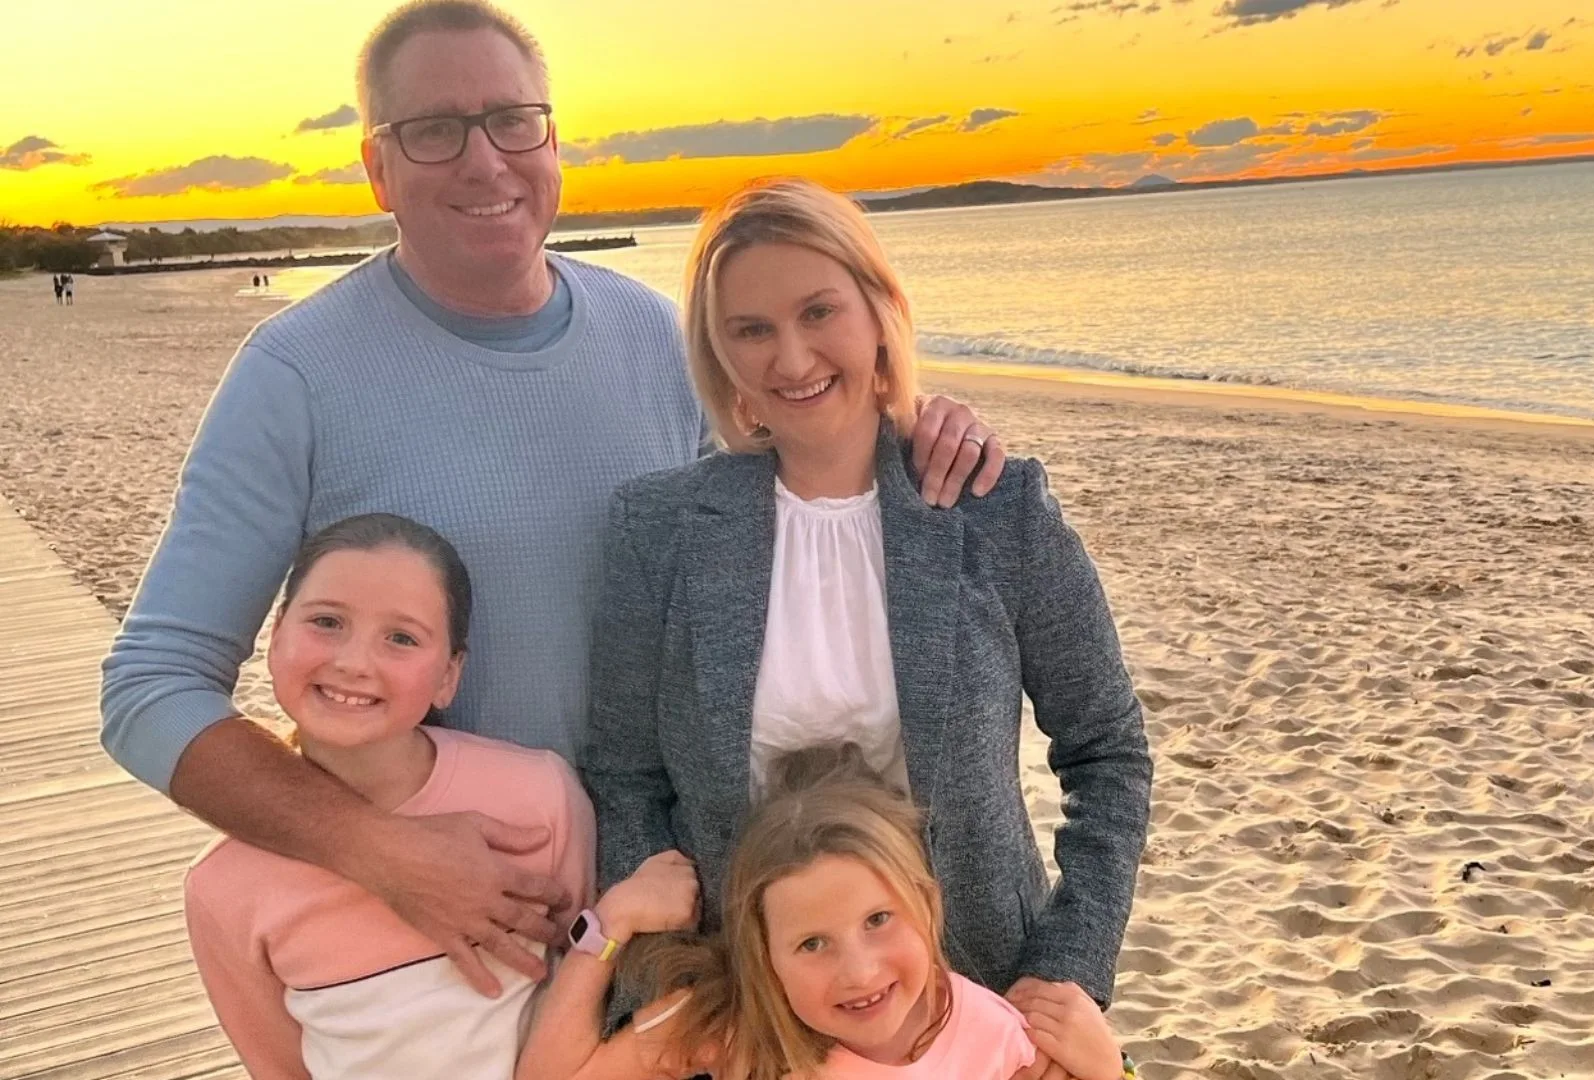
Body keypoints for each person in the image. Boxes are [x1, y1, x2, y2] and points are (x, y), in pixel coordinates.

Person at [98, 0, 1000, 998]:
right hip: (457, 935)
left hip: (679, 908)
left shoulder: (657, 339)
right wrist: (381, 851)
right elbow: (151, 688)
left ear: (554, 139)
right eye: (434, 131)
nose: (485, 162)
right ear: (376, 166)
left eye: (512, 120)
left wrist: (918, 422)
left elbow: (809, 461)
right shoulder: (295, 375)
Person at [583, 178, 1150, 1079]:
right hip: (745, 1022)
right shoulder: (659, 531)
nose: (792, 355)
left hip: (985, 1002)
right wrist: (666, 985)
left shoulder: (994, 509)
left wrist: (1069, 970)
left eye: (819, 311)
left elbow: (1107, 750)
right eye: (751, 329)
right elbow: (623, 780)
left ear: (881, 311)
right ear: (717, 351)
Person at [184, 513, 594, 1079]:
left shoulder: (537, 796)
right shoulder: (223, 887)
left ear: (450, 674)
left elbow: (590, 981)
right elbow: (280, 1068)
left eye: (401, 638)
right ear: (275, 637)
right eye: (326, 622)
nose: (353, 663)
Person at [519, 747, 1131, 1080]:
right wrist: (611, 924)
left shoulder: (997, 1037)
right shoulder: (735, 1028)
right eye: (812, 944)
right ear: (765, 956)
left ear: (927, 903)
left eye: (878, 920)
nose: (859, 972)